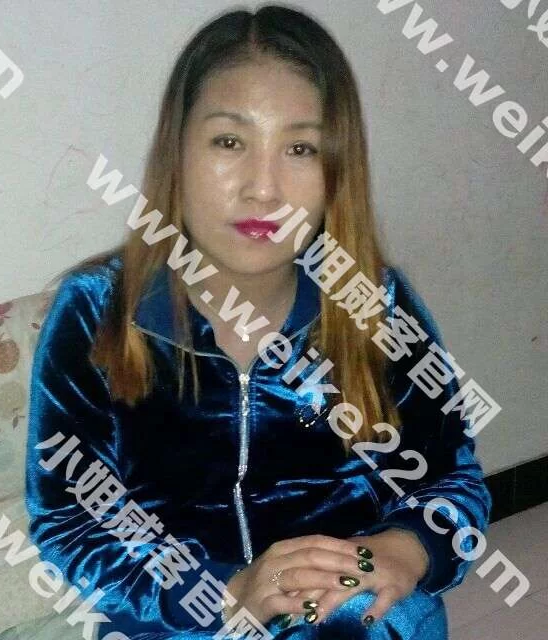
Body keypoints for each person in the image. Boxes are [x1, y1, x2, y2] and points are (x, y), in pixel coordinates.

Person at [25, 5, 491, 639]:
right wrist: (224, 593)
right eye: (229, 142)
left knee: (371, 620)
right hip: (177, 616)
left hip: (338, 608)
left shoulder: (377, 303)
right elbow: (70, 521)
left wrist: (405, 548)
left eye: (300, 148)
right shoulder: (96, 312)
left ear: (335, 171)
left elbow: (450, 476)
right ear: (177, 152)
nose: (263, 189)